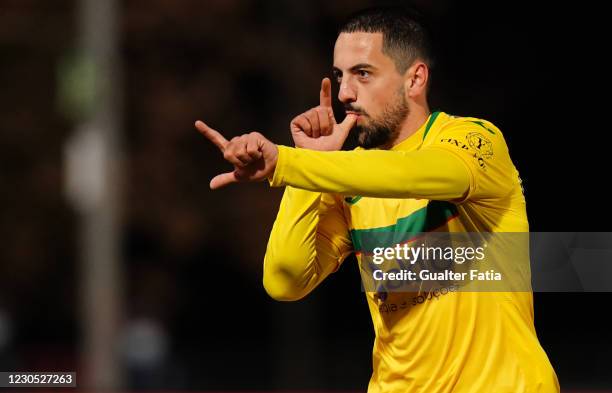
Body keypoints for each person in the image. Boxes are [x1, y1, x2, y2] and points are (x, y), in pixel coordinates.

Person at [195, 6, 559, 393]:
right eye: (339, 76)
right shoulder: (346, 177)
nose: (345, 93)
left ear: (415, 79)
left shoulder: (474, 141)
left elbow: (413, 175)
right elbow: (285, 281)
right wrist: (309, 171)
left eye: (363, 74)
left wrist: (287, 162)